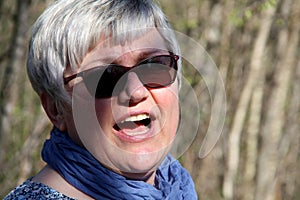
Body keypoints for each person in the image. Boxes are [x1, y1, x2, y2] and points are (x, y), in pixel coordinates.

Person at [5, 0, 197, 199]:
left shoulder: (179, 187)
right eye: (105, 77)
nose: (136, 92)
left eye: (154, 66)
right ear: (56, 109)